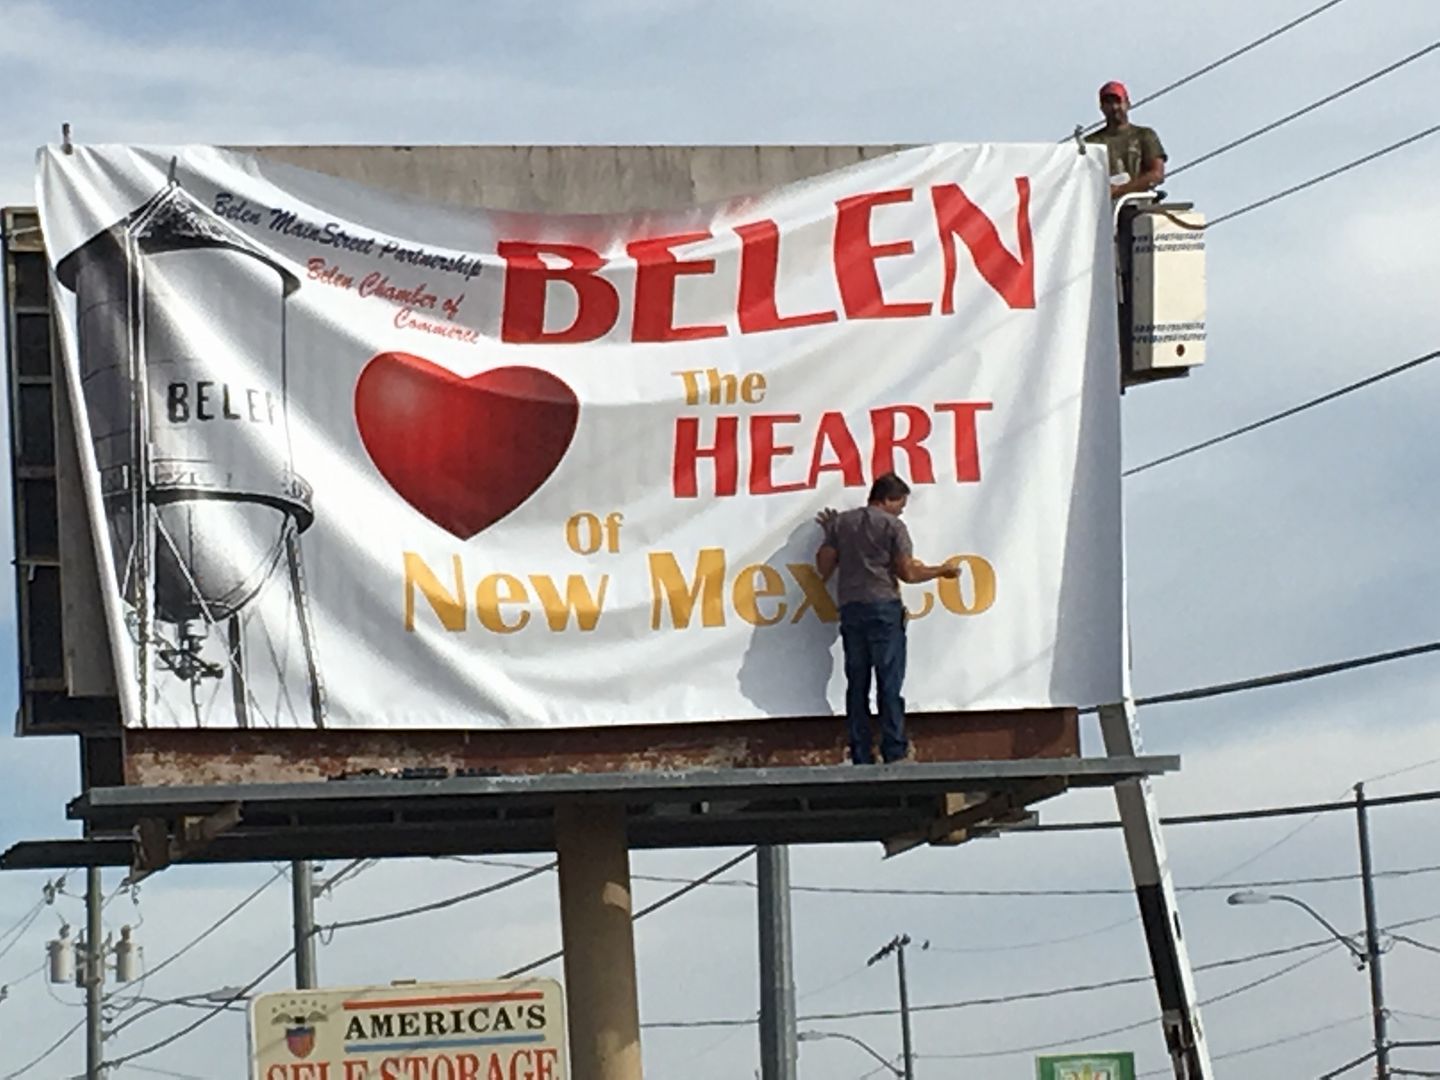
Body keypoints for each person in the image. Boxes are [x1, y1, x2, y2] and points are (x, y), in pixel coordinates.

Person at [814, 474, 959, 765]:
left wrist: (831, 534)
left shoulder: (841, 524)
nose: (901, 511)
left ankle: (860, 751)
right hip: (883, 607)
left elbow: (824, 566)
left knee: (857, 683)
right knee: (888, 681)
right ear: (889, 499)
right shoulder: (893, 526)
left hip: (851, 609)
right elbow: (908, 573)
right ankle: (893, 749)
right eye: (900, 505)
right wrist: (941, 571)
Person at [1085, 80, 1167, 199]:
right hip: (1102, 208)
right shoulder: (1091, 143)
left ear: (1128, 104)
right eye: (1108, 103)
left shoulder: (1144, 135)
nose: (1114, 107)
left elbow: (1157, 174)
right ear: (1102, 108)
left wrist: (1120, 191)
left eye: (1118, 101)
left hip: (1139, 206)